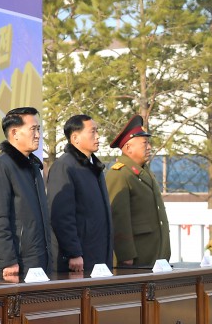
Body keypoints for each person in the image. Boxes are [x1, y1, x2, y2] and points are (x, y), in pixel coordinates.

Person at [0, 106, 54, 282]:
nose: (38, 135)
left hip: (34, 266)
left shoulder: (33, 168)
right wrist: (8, 261)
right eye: (33, 129)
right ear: (14, 133)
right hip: (9, 270)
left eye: (39, 129)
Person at [47, 114, 114, 274]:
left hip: (98, 255)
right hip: (79, 260)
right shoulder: (65, 166)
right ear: (75, 137)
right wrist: (74, 252)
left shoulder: (94, 166)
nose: (98, 136)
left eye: (97, 131)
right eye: (92, 132)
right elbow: (61, 216)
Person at [105, 115, 170, 267]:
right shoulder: (120, 174)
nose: (149, 147)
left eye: (149, 143)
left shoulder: (143, 171)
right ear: (128, 148)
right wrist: (125, 255)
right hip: (136, 257)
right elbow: (118, 218)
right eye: (144, 144)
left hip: (153, 254)